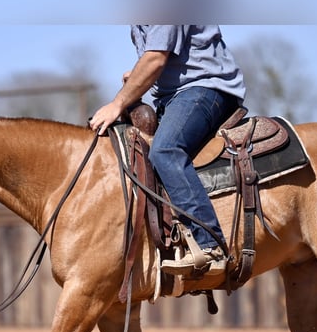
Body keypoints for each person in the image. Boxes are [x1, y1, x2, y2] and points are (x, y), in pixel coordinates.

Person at [89, 25, 246, 276]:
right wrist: (139, 74)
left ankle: (211, 245)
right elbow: (156, 58)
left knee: (165, 150)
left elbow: (156, 58)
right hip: (173, 96)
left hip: (205, 89)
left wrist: (118, 103)